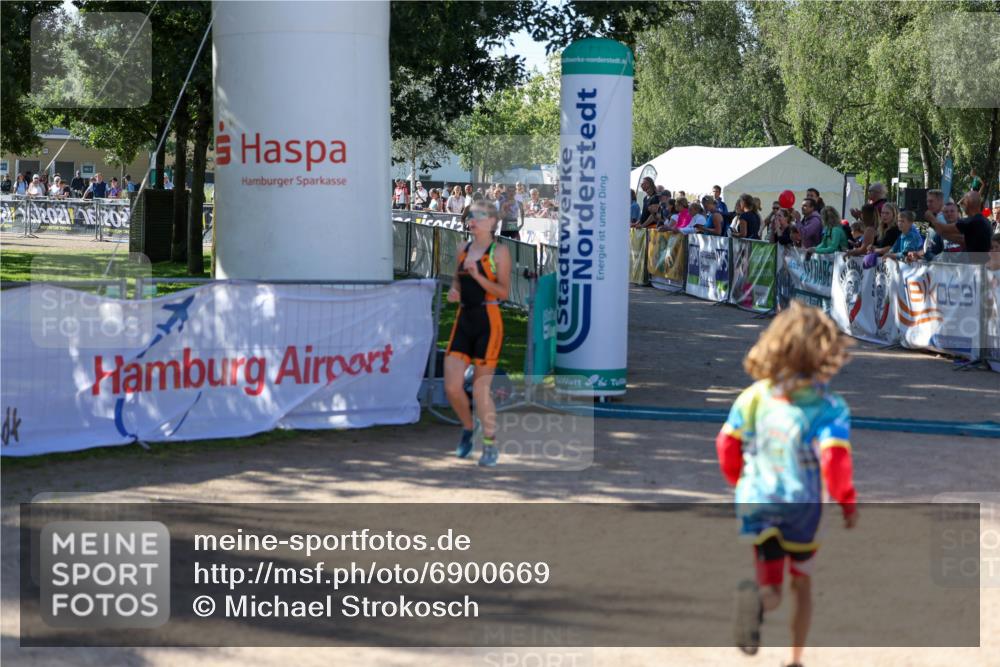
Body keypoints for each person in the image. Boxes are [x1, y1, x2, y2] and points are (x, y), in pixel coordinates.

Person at [717, 301, 857, 665]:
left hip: (757, 497)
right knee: (802, 583)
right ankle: (795, 659)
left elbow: (727, 444)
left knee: (771, 585)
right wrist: (847, 500)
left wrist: (738, 481)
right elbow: (834, 459)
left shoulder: (756, 395)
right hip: (802, 506)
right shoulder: (830, 405)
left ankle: (759, 600)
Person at [444, 203, 512, 468]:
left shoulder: (500, 252)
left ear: (492, 222)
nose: (473, 220)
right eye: (470, 215)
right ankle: (469, 427)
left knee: (482, 390)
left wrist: (478, 277)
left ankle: (491, 444)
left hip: (488, 320)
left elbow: (503, 292)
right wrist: (454, 291)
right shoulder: (462, 249)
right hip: (463, 319)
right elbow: (457, 282)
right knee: (452, 386)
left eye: (479, 216)